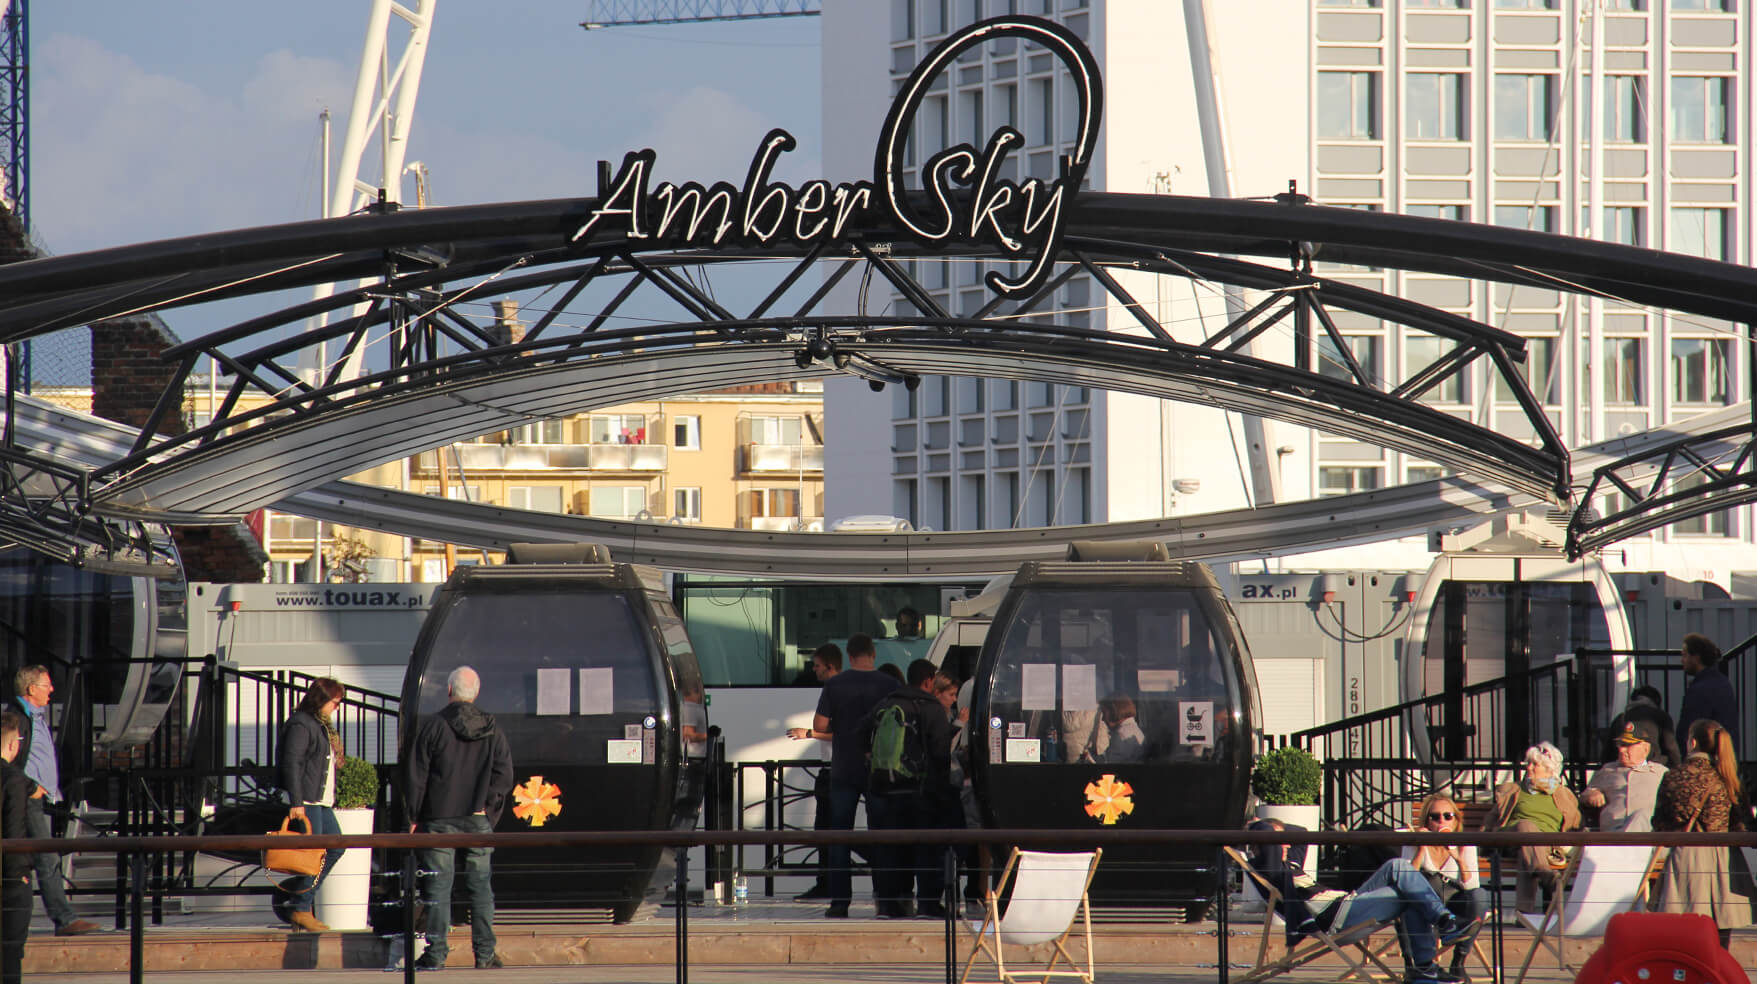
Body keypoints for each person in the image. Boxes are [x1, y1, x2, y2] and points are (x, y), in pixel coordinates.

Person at [1249, 818, 1467, 984]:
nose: (1286, 845)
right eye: (1278, 842)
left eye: (1285, 841)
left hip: (1348, 902)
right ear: (1264, 844)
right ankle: (1436, 945)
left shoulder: (1291, 863)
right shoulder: (1271, 870)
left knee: (1396, 866)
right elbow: (1269, 841)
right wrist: (1254, 829)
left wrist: (1263, 826)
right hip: (1337, 917)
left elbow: (1301, 833)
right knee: (1410, 894)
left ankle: (1440, 933)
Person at [407, 666, 515, 971]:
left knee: (438, 889)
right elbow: (504, 774)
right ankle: (485, 955)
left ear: (450, 690)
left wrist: (413, 815)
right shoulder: (492, 726)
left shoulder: (433, 726)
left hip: (438, 818)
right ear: (476, 693)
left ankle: (436, 954)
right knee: (481, 887)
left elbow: (417, 775)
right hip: (477, 820)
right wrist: (486, 806)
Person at [811, 633, 898, 918]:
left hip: (843, 769)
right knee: (882, 835)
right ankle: (885, 901)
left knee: (840, 835)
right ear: (873, 654)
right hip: (879, 770)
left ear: (849, 656)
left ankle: (839, 902)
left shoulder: (835, 684)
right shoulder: (889, 685)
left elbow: (820, 724)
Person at [860, 658, 954, 919]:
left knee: (890, 849)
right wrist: (941, 790)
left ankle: (889, 905)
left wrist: (869, 756)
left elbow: (860, 730)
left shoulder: (887, 703)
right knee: (927, 847)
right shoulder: (932, 708)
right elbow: (940, 753)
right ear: (928, 681)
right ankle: (927, 904)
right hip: (920, 791)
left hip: (885, 789)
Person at [1649, 719, 1754, 949]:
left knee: (1684, 939)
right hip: (1725, 862)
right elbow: (1744, 827)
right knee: (1719, 943)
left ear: (1692, 742)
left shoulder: (1673, 777)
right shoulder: (1729, 779)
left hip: (1685, 860)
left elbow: (1658, 825)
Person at [11, 666, 98, 937]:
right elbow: (8, 760)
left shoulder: (35, 717)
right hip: (27, 800)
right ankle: (64, 918)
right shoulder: (17, 719)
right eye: (46, 685)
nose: (51, 690)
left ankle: (62, 918)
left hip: (36, 799)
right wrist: (29, 786)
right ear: (31, 689)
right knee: (46, 857)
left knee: (34, 858)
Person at [273, 677, 349, 932]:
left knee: (335, 846)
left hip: (320, 800)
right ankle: (302, 908)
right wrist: (296, 801)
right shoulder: (301, 724)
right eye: (335, 702)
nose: (336, 707)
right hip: (306, 799)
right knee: (312, 854)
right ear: (321, 699)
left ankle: (300, 901)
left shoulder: (319, 725)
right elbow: (292, 762)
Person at [1484, 742, 1581, 913]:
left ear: (1550, 769)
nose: (1528, 767)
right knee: (1526, 826)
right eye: (1528, 763)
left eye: (1534, 764)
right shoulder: (1514, 790)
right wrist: (1483, 839)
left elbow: (1576, 823)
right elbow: (1490, 820)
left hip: (1545, 846)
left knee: (1527, 852)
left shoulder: (1564, 794)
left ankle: (1524, 914)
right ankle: (1544, 873)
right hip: (1511, 837)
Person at [1402, 794, 1486, 981]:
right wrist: (1422, 848)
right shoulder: (1414, 842)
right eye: (1435, 816)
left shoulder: (1465, 844)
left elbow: (1471, 885)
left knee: (1480, 896)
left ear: (1456, 820)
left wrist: (1457, 858)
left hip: (1455, 903)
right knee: (1411, 897)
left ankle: (1458, 961)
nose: (1442, 821)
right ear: (1427, 821)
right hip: (1425, 903)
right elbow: (1405, 879)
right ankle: (1421, 966)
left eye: (1448, 816)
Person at [785, 643, 842, 902]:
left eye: (817, 665)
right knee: (830, 829)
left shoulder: (834, 689)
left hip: (833, 770)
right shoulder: (844, 688)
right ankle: (829, 882)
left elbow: (834, 732)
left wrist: (807, 733)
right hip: (838, 769)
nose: (814, 670)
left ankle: (828, 884)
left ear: (830, 666)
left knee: (826, 829)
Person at [1583, 721, 1668, 833]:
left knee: (1641, 815)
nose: (1621, 750)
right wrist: (1592, 794)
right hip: (1613, 833)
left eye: (1628, 745)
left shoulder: (1660, 772)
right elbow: (1584, 796)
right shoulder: (1608, 770)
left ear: (1645, 749)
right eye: (1621, 744)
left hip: (1648, 835)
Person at [2, 710, 34, 983]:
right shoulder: (12, 779)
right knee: (10, 952)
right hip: (8, 877)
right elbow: (14, 828)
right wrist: (18, 874)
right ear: (13, 744)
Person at [1676, 634, 1739, 751]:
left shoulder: (1701, 689)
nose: (1682, 660)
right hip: (1725, 755)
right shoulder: (1722, 682)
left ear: (1696, 657)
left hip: (1705, 759)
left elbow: (1689, 728)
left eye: (1684, 655)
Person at [1602, 686, 1682, 769]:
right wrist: (1677, 767)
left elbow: (1607, 752)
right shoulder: (1661, 716)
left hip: (1623, 768)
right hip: (1653, 768)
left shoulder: (1620, 718)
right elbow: (1671, 747)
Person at [1096, 696, 1145, 763]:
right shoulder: (1133, 729)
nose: (1103, 719)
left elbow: (1111, 764)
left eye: (1104, 713)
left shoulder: (1121, 734)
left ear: (1113, 711)